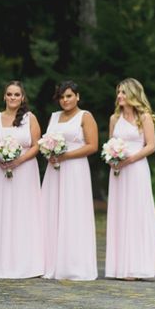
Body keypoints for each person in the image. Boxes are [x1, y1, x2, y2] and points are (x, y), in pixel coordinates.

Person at [0, 81, 45, 278]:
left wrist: (19, 160)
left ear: (23, 97)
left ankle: (26, 263)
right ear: (4, 97)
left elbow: (36, 145)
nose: (13, 98)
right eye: (9, 94)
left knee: (23, 212)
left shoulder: (30, 118)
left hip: (24, 171)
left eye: (17, 94)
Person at [104, 78, 155, 280]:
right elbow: (111, 143)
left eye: (123, 92)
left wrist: (129, 159)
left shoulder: (144, 117)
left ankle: (139, 266)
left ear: (133, 95)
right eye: (118, 92)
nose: (119, 96)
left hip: (136, 169)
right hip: (118, 172)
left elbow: (151, 146)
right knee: (120, 213)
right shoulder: (115, 119)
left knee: (136, 213)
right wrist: (112, 158)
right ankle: (120, 267)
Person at [41, 81, 99, 281]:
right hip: (54, 170)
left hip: (75, 170)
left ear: (77, 96)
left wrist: (65, 155)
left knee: (73, 212)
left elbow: (92, 146)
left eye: (69, 96)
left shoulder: (85, 116)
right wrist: (49, 151)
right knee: (51, 211)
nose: (65, 100)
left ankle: (74, 264)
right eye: (62, 97)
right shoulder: (54, 117)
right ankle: (50, 262)